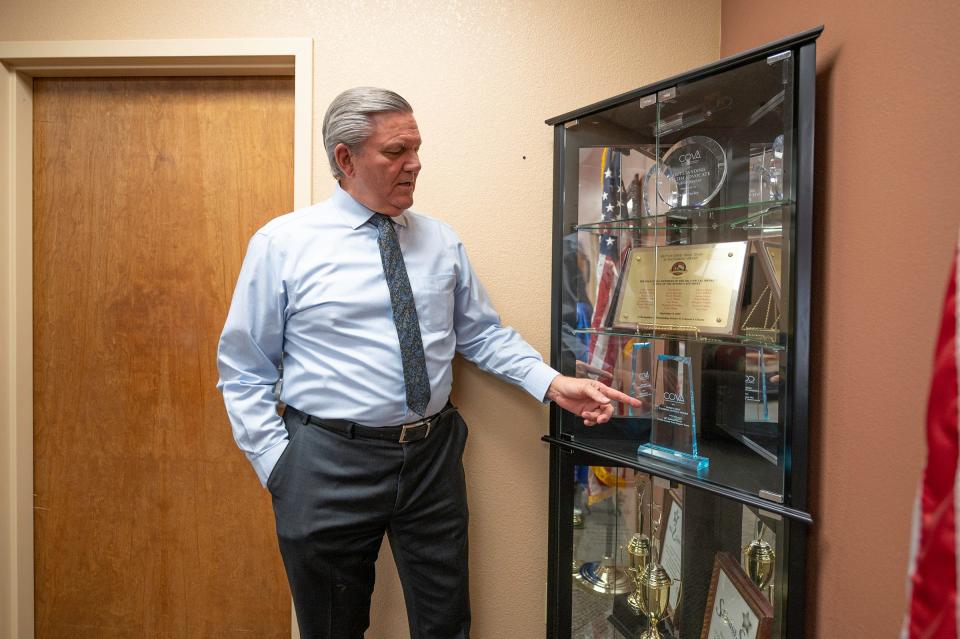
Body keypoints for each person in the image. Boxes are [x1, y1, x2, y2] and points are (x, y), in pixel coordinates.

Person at [216, 86, 639, 639]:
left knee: (445, 622)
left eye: (416, 149)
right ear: (345, 159)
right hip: (325, 463)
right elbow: (245, 367)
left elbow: (482, 334)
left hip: (431, 460)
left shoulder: (440, 242)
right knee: (332, 626)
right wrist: (278, 465)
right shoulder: (283, 244)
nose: (414, 164)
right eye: (396, 152)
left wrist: (554, 383)